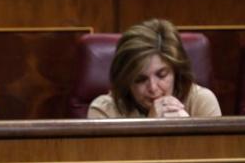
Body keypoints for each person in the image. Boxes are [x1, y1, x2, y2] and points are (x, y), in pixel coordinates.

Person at [88, 19, 221, 119]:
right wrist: (152, 125)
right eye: (140, 79)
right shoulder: (103, 111)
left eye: (162, 75)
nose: (153, 88)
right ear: (126, 80)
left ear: (176, 71)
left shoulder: (202, 101)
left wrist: (186, 129)